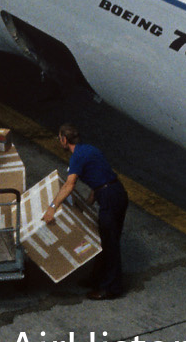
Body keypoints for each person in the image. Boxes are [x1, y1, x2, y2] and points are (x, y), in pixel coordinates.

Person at [47, 122, 127, 300]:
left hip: (109, 197)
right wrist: (90, 200)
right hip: (114, 192)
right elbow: (101, 174)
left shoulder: (77, 157)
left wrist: (52, 208)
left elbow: (69, 184)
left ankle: (111, 288)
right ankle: (97, 278)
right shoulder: (90, 149)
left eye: (59, 138)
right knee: (104, 240)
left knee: (110, 243)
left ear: (64, 139)